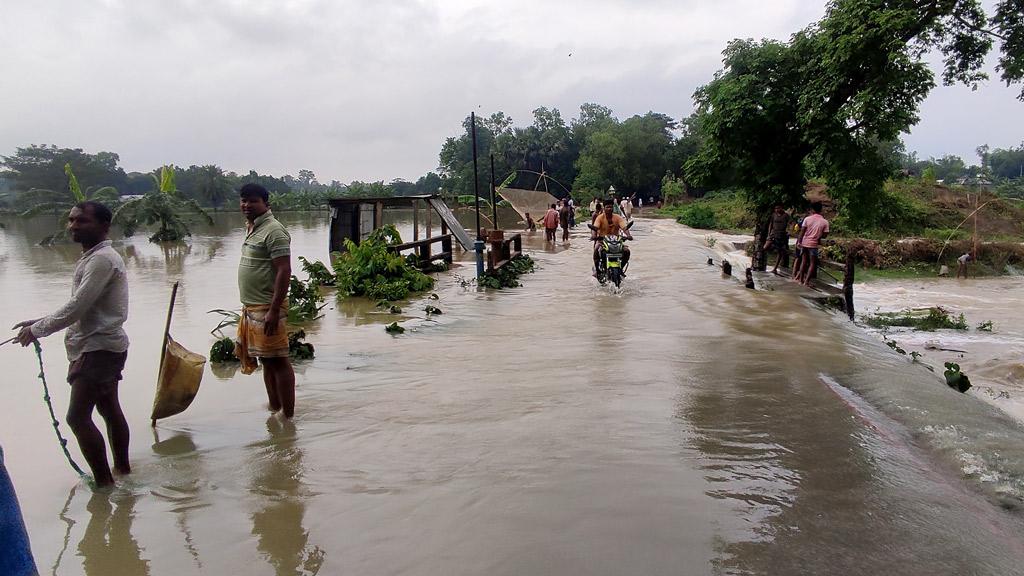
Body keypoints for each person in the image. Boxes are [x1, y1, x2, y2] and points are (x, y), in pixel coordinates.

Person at [12, 201, 131, 487]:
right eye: (72, 220)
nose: (73, 226)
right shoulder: (94, 258)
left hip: (97, 347)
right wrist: (39, 321)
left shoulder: (102, 260)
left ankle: (104, 486)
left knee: (77, 418)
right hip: (101, 344)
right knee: (108, 408)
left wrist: (38, 330)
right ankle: (122, 471)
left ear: (104, 226)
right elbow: (82, 306)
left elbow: (77, 307)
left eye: (82, 221)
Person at [236, 183, 296, 419]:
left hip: (267, 308)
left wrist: (273, 310)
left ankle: (288, 418)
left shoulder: (274, 231)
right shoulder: (252, 227)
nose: (246, 205)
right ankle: (275, 408)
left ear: (266, 204)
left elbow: (284, 271)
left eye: (252, 201)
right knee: (267, 361)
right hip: (252, 307)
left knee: (279, 360)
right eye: (243, 200)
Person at [591, 200, 633, 275]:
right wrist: (594, 236)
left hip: (616, 242)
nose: (609, 209)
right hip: (602, 241)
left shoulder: (618, 217)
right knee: (596, 249)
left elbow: (624, 228)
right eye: (607, 207)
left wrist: (628, 235)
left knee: (627, 251)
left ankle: (621, 269)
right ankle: (597, 270)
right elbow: (595, 228)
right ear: (604, 208)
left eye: (611, 207)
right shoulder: (599, 218)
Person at [795, 202, 829, 286]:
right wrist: (819, 236)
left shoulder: (807, 219)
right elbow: (825, 234)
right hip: (814, 244)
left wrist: (799, 242)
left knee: (804, 261)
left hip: (805, 242)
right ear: (821, 210)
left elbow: (802, 232)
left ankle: (801, 280)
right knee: (812, 263)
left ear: (812, 210)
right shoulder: (824, 222)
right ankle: (806, 282)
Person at [763, 204, 791, 274]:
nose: (777, 210)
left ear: (782, 208)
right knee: (765, 247)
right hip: (773, 234)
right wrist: (769, 233)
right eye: (775, 208)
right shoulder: (773, 215)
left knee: (780, 252)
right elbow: (770, 224)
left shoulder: (786, 216)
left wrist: (789, 231)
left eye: (778, 208)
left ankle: (775, 268)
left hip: (781, 235)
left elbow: (791, 223)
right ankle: (765, 261)